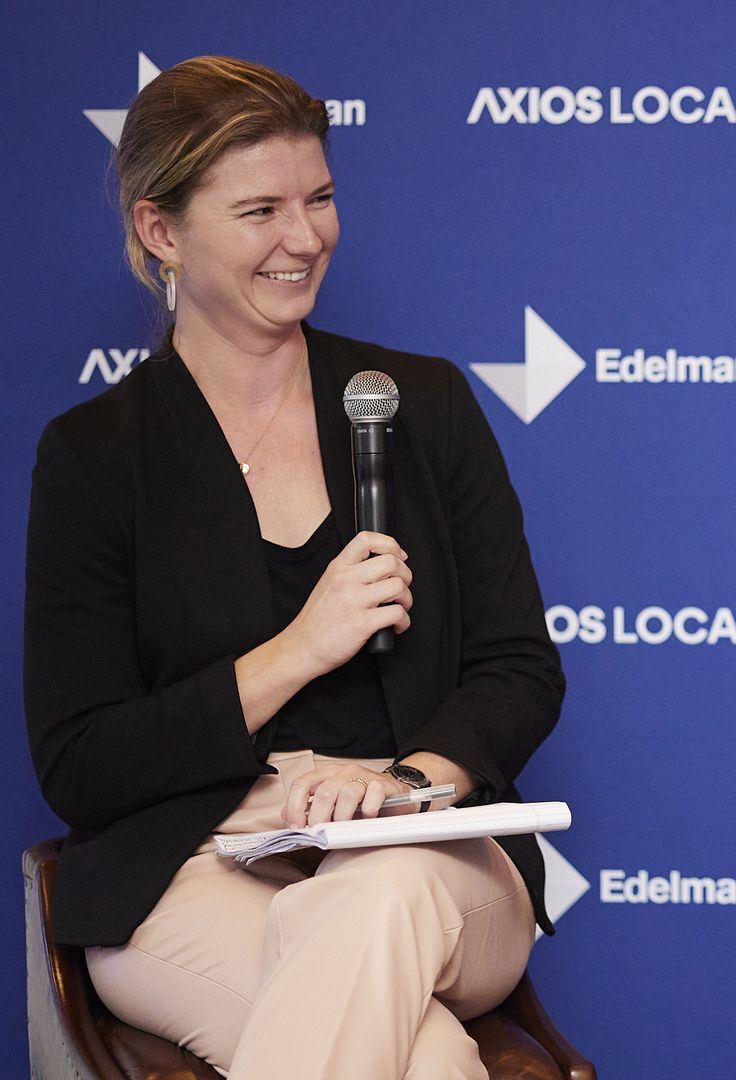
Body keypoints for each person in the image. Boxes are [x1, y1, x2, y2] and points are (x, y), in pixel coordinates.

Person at [23, 56, 565, 1079]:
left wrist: (402, 787)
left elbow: (518, 671)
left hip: (429, 859)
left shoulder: (424, 404)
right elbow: (81, 759)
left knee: (379, 893)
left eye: (319, 199)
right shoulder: (97, 456)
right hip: (191, 867)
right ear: (161, 232)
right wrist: (297, 652)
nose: (306, 238)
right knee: (431, 1063)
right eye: (261, 209)